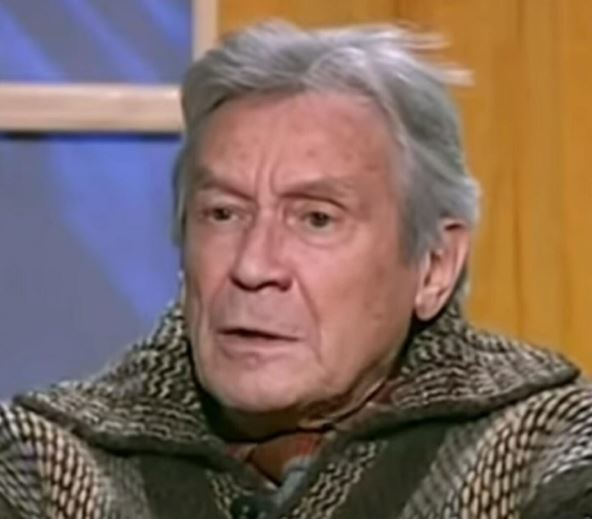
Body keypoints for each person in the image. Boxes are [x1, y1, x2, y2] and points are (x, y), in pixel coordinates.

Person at [1, 21, 591, 519]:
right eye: (223, 213)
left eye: (316, 219)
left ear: (434, 266)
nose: (253, 265)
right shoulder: (43, 463)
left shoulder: (545, 448)